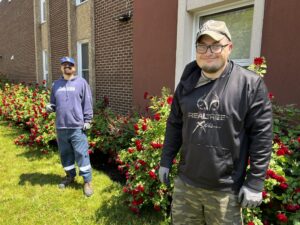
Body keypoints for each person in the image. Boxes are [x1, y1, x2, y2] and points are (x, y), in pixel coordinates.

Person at [159, 20, 273, 224]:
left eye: (215, 45)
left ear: (229, 48)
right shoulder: (187, 83)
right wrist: (165, 160)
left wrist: (255, 182)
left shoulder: (249, 85)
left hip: (225, 192)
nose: (208, 51)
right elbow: (175, 124)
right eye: (202, 46)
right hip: (187, 186)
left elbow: (262, 136)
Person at [46, 56, 94, 197]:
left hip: (77, 127)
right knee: (65, 154)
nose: (67, 67)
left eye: (70, 65)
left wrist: (88, 120)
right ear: (61, 67)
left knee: (82, 154)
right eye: (64, 65)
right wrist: (50, 107)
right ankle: (70, 176)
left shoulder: (81, 83)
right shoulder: (56, 85)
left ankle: (87, 182)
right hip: (61, 127)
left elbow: (87, 102)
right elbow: (53, 104)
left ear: (74, 67)